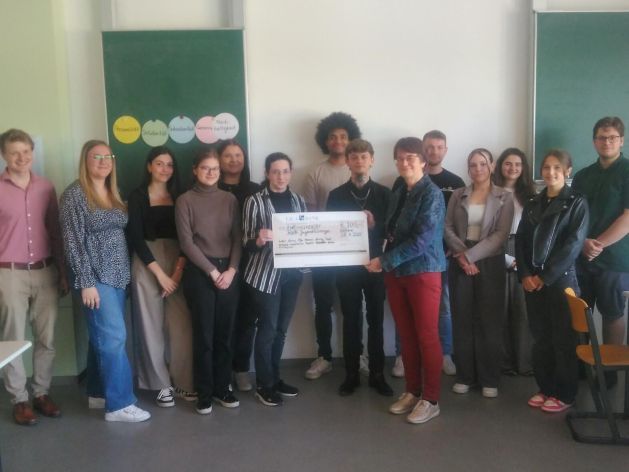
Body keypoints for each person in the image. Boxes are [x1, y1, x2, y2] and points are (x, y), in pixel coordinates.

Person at [60, 139, 150, 422]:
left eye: (107, 157)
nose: (103, 162)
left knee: (102, 336)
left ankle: (98, 393)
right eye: (96, 157)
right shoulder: (74, 195)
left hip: (118, 275)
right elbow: (72, 242)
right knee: (113, 338)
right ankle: (120, 405)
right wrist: (86, 282)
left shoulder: (113, 191)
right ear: (85, 162)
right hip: (95, 277)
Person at [366, 137, 445, 425]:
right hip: (397, 273)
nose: (404, 162)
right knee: (407, 336)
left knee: (427, 335)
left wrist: (384, 261)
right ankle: (412, 391)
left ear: (423, 161)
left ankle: (431, 399)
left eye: (410, 157)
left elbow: (421, 241)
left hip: (423, 271)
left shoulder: (432, 194)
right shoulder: (399, 191)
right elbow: (393, 233)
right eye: (399, 158)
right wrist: (374, 226)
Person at [0, 129, 66, 425]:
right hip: (9, 273)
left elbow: (56, 232)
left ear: (32, 153)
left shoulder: (46, 187)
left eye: (26, 151)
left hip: (45, 271)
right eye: (14, 152)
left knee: (46, 338)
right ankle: (19, 399)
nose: (21, 157)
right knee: (12, 339)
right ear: (4, 155)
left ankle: (41, 393)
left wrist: (62, 271)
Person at [516, 149, 588, 413]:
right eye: (546, 167)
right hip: (532, 281)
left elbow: (573, 245)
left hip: (560, 281)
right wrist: (525, 274)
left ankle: (565, 393)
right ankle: (545, 388)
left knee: (563, 339)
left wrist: (544, 277)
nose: (551, 172)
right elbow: (521, 241)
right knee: (541, 338)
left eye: (557, 167)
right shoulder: (533, 202)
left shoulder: (576, 202)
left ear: (568, 171)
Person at [392, 130, 465, 376]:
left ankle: (443, 359)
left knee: (437, 316)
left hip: (434, 261)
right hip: (403, 263)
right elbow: (395, 225)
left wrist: (455, 246)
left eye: (439, 147)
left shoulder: (448, 185)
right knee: (406, 321)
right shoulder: (400, 186)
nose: (434, 151)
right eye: (430, 147)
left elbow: (454, 221)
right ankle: (404, 362)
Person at [127, 146, 194, 408]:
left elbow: (188, 236)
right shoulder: (137, 196)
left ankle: (184, 381)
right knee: (150, 324)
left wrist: (176, 273)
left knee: (182, 325)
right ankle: (160, 385)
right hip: (147, 261)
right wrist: (161, 276)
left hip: (178, 260)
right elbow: (135, 238)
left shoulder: (181, 196)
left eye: (169, 164)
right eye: (159, 163)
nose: (165, 169)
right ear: (149, 166)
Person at [176, 149, 242, 415]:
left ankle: (222, 388)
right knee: (204, 335)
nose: (211, 172)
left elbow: (237, 238)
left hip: (229, 271)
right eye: (205, 168)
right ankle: (204, 393)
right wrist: (212, 272)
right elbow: (186, 243)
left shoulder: (230, 199)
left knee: (225, 335)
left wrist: (232, 270)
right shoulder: (185, 200)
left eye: (215, 168)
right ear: (195, 170)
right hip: (200, 272)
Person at [444, 148, 513, 398]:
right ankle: (465, 376)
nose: (478, 169)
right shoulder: (457, 194)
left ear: (492, 166)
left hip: (490, 261)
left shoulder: (504, 197)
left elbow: (501, 235)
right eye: (473, 165)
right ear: (468, 169)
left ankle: (489, 379)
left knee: (489, 321)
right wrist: (463, 255)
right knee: (462, 318)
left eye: (483, 164)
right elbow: (447, 227)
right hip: (460, 258)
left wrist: (471, 256)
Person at [327, 139, 392, 397]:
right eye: (354, 157)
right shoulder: (336, 195)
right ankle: (351, 374)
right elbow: (330, 232)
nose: (359, 161)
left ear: (372, 160)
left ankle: (377, 374)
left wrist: (375, 225)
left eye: (364, 156)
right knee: (351, 320)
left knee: (376, 319)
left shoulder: (385, 194)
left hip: (376, 265)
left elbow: (393, 231)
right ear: (347, 161)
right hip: (347, 267)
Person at [242, 153, 307, 406]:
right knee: (268, 330)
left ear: (291, 173)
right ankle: (264, 384)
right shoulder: (254, 201)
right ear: (267, 173)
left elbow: (305, 235)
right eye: (275, 171)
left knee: (281, 330)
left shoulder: (298, 200)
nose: (281, 176)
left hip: (292, 274)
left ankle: (275, 378)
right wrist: (259, 240)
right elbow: (245, 242)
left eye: (285, 171)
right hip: (264, 275)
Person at [303, 112, 362, 380]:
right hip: (323, 252)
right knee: (323, 304)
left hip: (353, 253)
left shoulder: (358, 169)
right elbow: (310, 214)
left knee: (353, 306)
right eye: (332, 137)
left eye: (343, 137)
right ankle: (324, 356)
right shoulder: (315, 173)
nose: (338, 141)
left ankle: (358, 354)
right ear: (325, 141)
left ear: (350, 140)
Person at [572, 116, 629, 390]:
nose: (607, 142)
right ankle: (582, 367)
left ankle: (609, 371)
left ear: (621, 141)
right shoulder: (582, 176)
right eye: (601, 137)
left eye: (612, 137)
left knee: (612, 312)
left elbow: (627, 218)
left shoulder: (627, 171)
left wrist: (598, 245)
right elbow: (573, 218)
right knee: (581, 313)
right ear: (594, 141)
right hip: (581, 256)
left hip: (614, 258)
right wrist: (583, 243)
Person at [216, 139, 262, 393]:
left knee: (247, 318)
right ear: (218, 160)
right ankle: (222, 371)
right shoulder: (210, 186)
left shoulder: (256, 190)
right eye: (228, 155)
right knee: (223, 318)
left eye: (238, 155)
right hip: (219, 262)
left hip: (251, 262)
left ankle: (241, 368)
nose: (234, 160)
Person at [493, 148, 536, 376]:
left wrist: (523, 260)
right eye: (508, 163)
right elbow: (485, 232)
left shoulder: (531, 195)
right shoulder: (490, 192)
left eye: (518, 164)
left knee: (523, 311)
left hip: (524, 253)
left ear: (523, 168)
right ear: (500, 166)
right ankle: (503, 363)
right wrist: (506, 259)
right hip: (496, 251)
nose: (513, 168)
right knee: (499, 311)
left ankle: (525, 363)